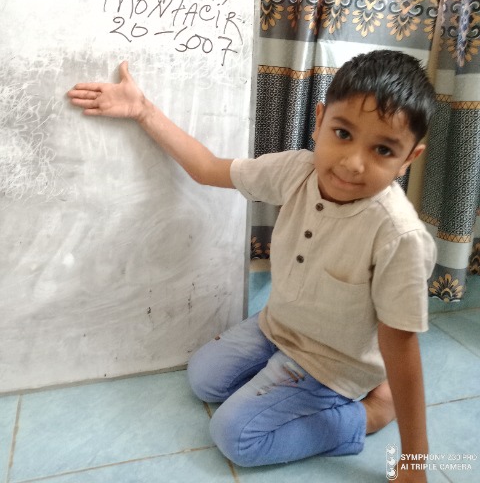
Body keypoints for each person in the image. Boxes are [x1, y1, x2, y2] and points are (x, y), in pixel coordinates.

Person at [68, 49, 437, 482]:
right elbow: (207, 168)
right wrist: (142, 110)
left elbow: (401, 348)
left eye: (382, 149)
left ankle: (371, 411)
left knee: (236, 436)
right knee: (203, 379)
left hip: (332, 363)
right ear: (319, 121)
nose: (353, 163)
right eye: (342, 133)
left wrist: (414, 463)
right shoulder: (297, 170)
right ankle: (288, 377)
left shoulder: (398, 236)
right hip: (278, 327)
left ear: (408, 159)